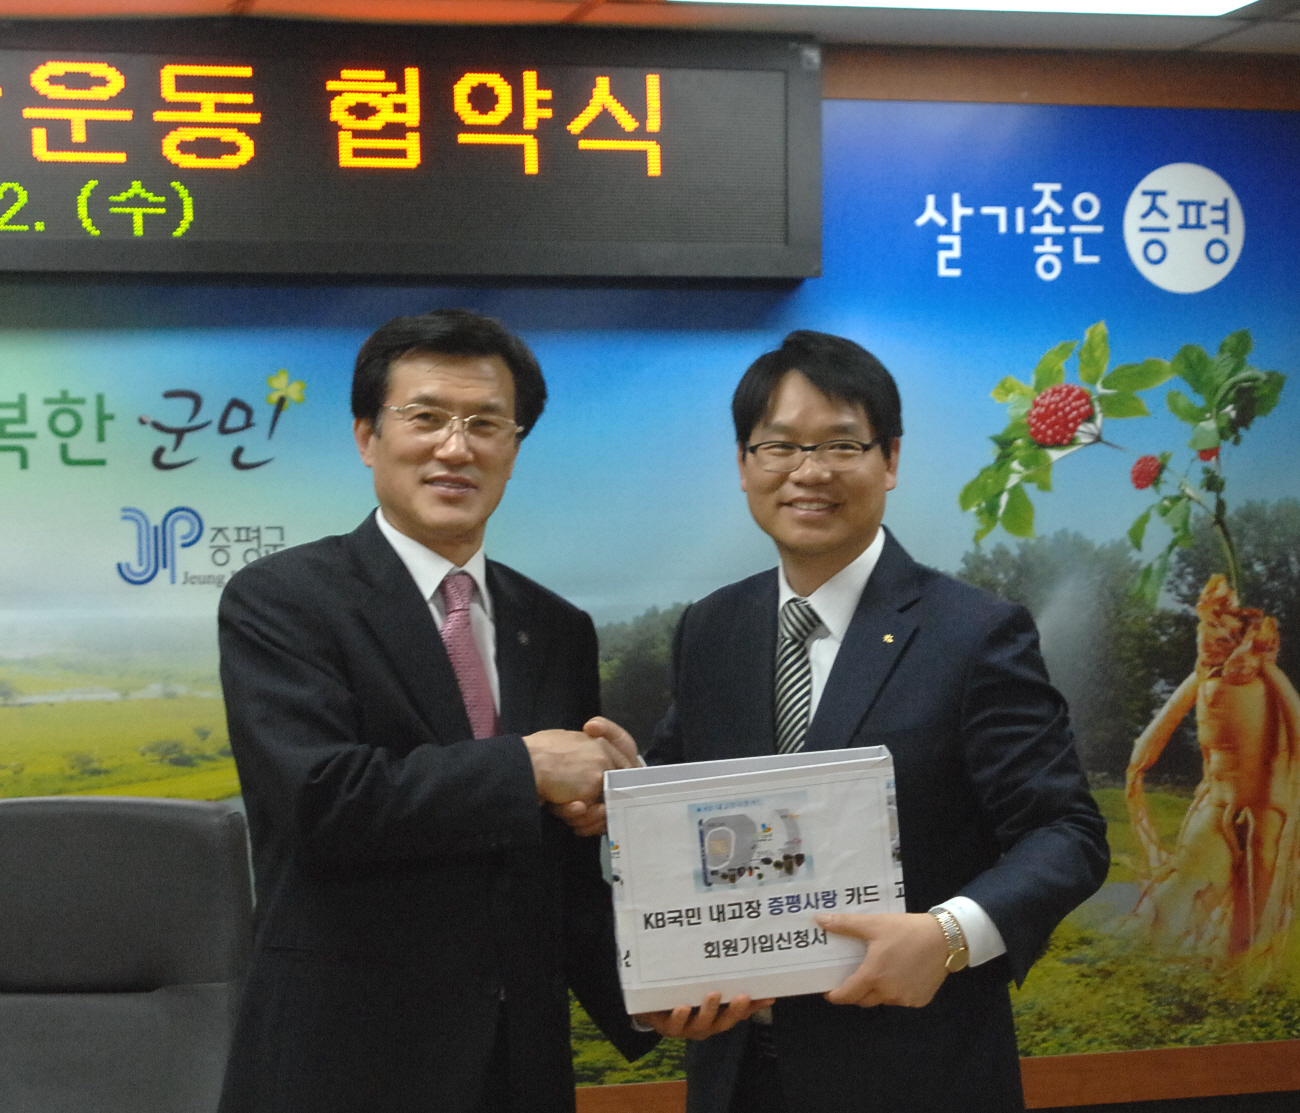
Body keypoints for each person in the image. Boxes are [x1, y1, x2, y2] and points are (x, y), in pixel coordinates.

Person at [642, 330, 1110, 1113]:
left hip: (916, 1075)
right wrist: (624, 795)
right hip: (737, 1077)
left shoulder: (973, 632)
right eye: (780, 446)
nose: (809, 471)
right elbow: (680, 802)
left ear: (889, 459)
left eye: (841, 444)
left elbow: (1066, 832)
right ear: (745, 464)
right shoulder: (712, 628)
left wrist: (947, 936)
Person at [216, 309, 658, 1113]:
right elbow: (325, 801)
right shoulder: (283, 599)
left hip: (519, 1067)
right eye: (426, 417)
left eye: (485, 424)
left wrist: (653, 997)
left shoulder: (557, 627)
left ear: (514, 448)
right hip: (343, 1063)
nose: (456, 448)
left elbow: (556, 874)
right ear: (367, 436)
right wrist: (528, 767)